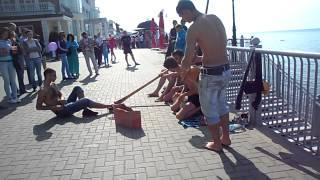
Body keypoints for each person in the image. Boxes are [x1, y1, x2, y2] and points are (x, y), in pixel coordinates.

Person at [176, 0, 231, 152]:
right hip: (226, 70)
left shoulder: (193, 28)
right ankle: (225, 138)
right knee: (222, 105)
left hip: (211, 74)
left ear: (187, 11)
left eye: (182, 16)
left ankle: (216, 144)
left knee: (209, 110)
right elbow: (221, 45)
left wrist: (183, 71)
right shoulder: (215, 18)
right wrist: (201, 58)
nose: (183, 20)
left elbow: (187, 57)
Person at [36, 68, 111, 117]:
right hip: (61, 111)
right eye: (54, 75)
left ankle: (85, 111)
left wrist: (62, 98)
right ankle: (110, 106)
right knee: (85, 101)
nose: (56, 77)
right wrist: (53, 107)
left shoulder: (52, 84)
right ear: (48, 76)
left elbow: (60, 94)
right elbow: (38, 107)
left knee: (77, 88)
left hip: (65, 104)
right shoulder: (42, 90)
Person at [0, 27, 20, 103]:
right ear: (1, 33)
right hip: (2, 63)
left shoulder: (9, 41)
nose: (5, 34)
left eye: (7, 33)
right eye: (4, 33)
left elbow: (14, 51)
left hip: (11, 62)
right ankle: (9, 98)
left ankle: (15, 97)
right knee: (7, 80)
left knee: (13, 80)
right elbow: (2, 53)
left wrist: (14, 49)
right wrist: (4, 51)